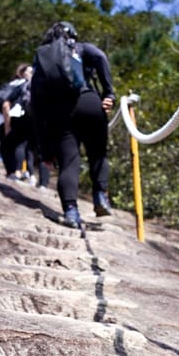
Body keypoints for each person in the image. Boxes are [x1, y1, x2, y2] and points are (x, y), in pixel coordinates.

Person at [31, 21, 115, 228]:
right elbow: (101, 57)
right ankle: (100, 197)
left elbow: (36, 102)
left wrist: (45, 149)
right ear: (73, 35)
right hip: (89, 102)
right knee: (98, 154)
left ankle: (71, 211)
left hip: (60, 113)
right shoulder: (81, 48)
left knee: (69, 162)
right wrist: (109, 92)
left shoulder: (43, 57)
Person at [0, 64, 35, 182]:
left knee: (10, 145)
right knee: (26, 148)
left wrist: (7, 126)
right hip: (35, 122)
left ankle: (15, 172)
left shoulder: (20, 85)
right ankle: (29, 175)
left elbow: (5, 104)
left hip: (19, 118)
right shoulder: (41, 85)